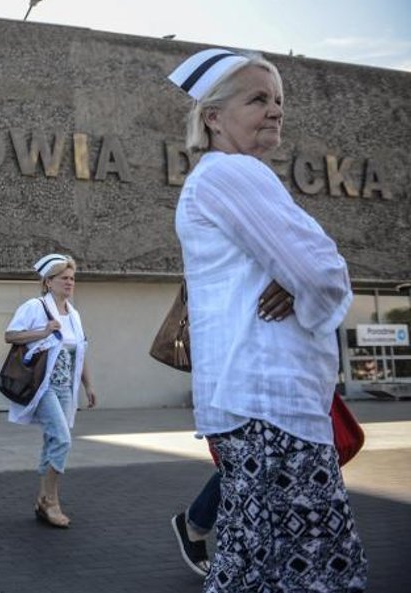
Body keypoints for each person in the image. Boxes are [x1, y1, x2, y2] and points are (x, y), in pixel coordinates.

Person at [168, 48, 366, 590]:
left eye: (278, 99)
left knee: (254, 564)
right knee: (312, 568)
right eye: (257, 99)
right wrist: (306, 284)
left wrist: (296, 280)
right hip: (271, 408)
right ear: (213, 116)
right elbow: (324, 275)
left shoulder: (218, 178)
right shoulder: (232, 174)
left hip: (251, 407)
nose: (275, 109)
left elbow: (306, 272)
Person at [3, 254, 97, 528]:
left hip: (66, 386)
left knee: (52, 440)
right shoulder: (35, 306)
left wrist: (88, 385)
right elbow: (10, 335)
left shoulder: (74, 314)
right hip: (42, 384)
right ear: (48, 282)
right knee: (62, 439)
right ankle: (51, 500)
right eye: (63, 278)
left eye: (72, 278)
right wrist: (43, 332)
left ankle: (42, 500)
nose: (69, 283)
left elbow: (81, 351)